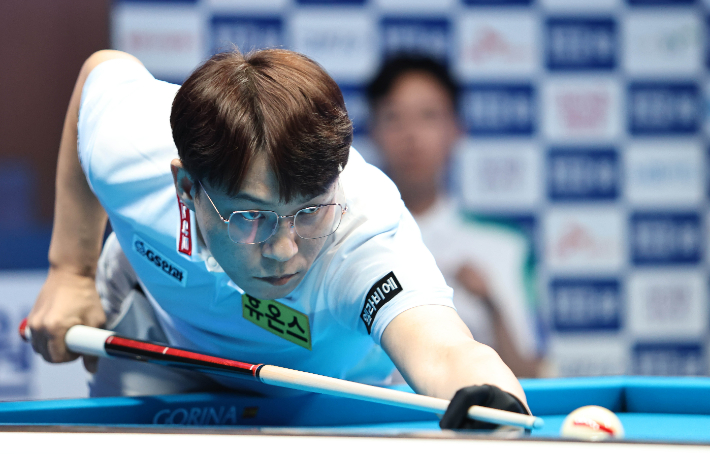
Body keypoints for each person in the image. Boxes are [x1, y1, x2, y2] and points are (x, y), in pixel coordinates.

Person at [27, 48, 529, 429]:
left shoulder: (363, 235)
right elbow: (101, 70)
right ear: (187, 189)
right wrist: (69, 270)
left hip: (325, 389)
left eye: (309, 211)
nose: (285, 249)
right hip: (160, 342)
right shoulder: (133, 146)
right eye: (251, 216)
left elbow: (445, 352)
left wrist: (492, 407)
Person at [367, 55, 542, 378]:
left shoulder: (505, 244)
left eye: (428, 116)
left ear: (456, 130)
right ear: (373, 131)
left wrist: (490, 305)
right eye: (394, 117)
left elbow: (531, 375)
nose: (411, 135)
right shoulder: (348, 240)